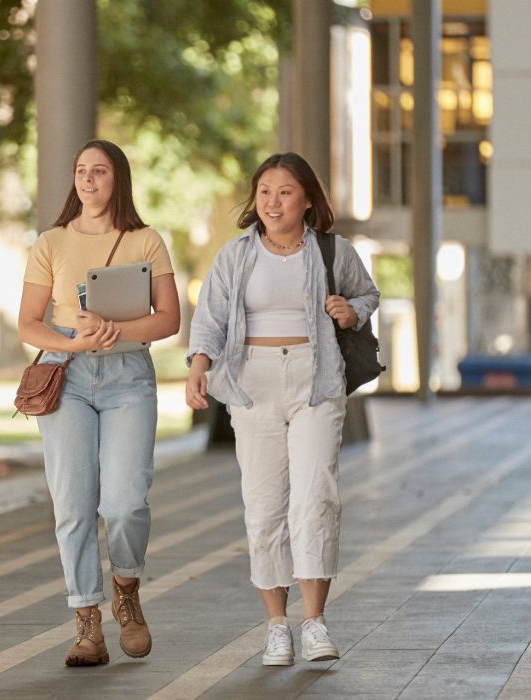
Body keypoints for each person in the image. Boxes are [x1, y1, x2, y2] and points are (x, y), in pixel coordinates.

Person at [185, 152, 380, 666]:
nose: (273, 201)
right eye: (265, 191)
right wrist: (197, 367)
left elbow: (367, 296)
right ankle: (277, 626)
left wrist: (349, 310)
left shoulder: (332, 252)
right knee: (264, 504)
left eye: (285, 191)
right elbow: (210, 317)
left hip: (316, 383)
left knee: (316, 497)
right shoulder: (236, 255)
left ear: (307, 199)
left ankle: (314, 622)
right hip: (254, 382)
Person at [18, 139, 180, 667]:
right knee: (72, 505)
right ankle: (87, 622)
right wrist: (74, 343)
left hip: (129, 375)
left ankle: (127, 591)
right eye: (80, 171)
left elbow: (168, 319)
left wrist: (115, 329)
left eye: (100, 172)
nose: (88, 180)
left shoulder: (146, 241)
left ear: (118, 180)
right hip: (67, 374)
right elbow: (30, 322)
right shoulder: (50, 242)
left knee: (126, 501)